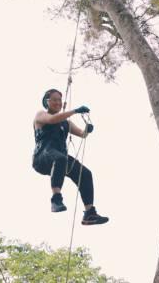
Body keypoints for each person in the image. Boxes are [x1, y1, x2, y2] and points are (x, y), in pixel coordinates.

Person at [33, 89, 109, 225]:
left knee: (85, 174)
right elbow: (51, 119)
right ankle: (56, 199)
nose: (58, 102)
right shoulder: (41, 115)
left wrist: (87, 130)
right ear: (47, 102)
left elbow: (82, 134)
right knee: (60, 158)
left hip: (59, 157)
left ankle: (89, 213)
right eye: (54, 100)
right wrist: (75, 111)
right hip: (42, 157)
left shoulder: (65, 123)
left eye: (59, 100)